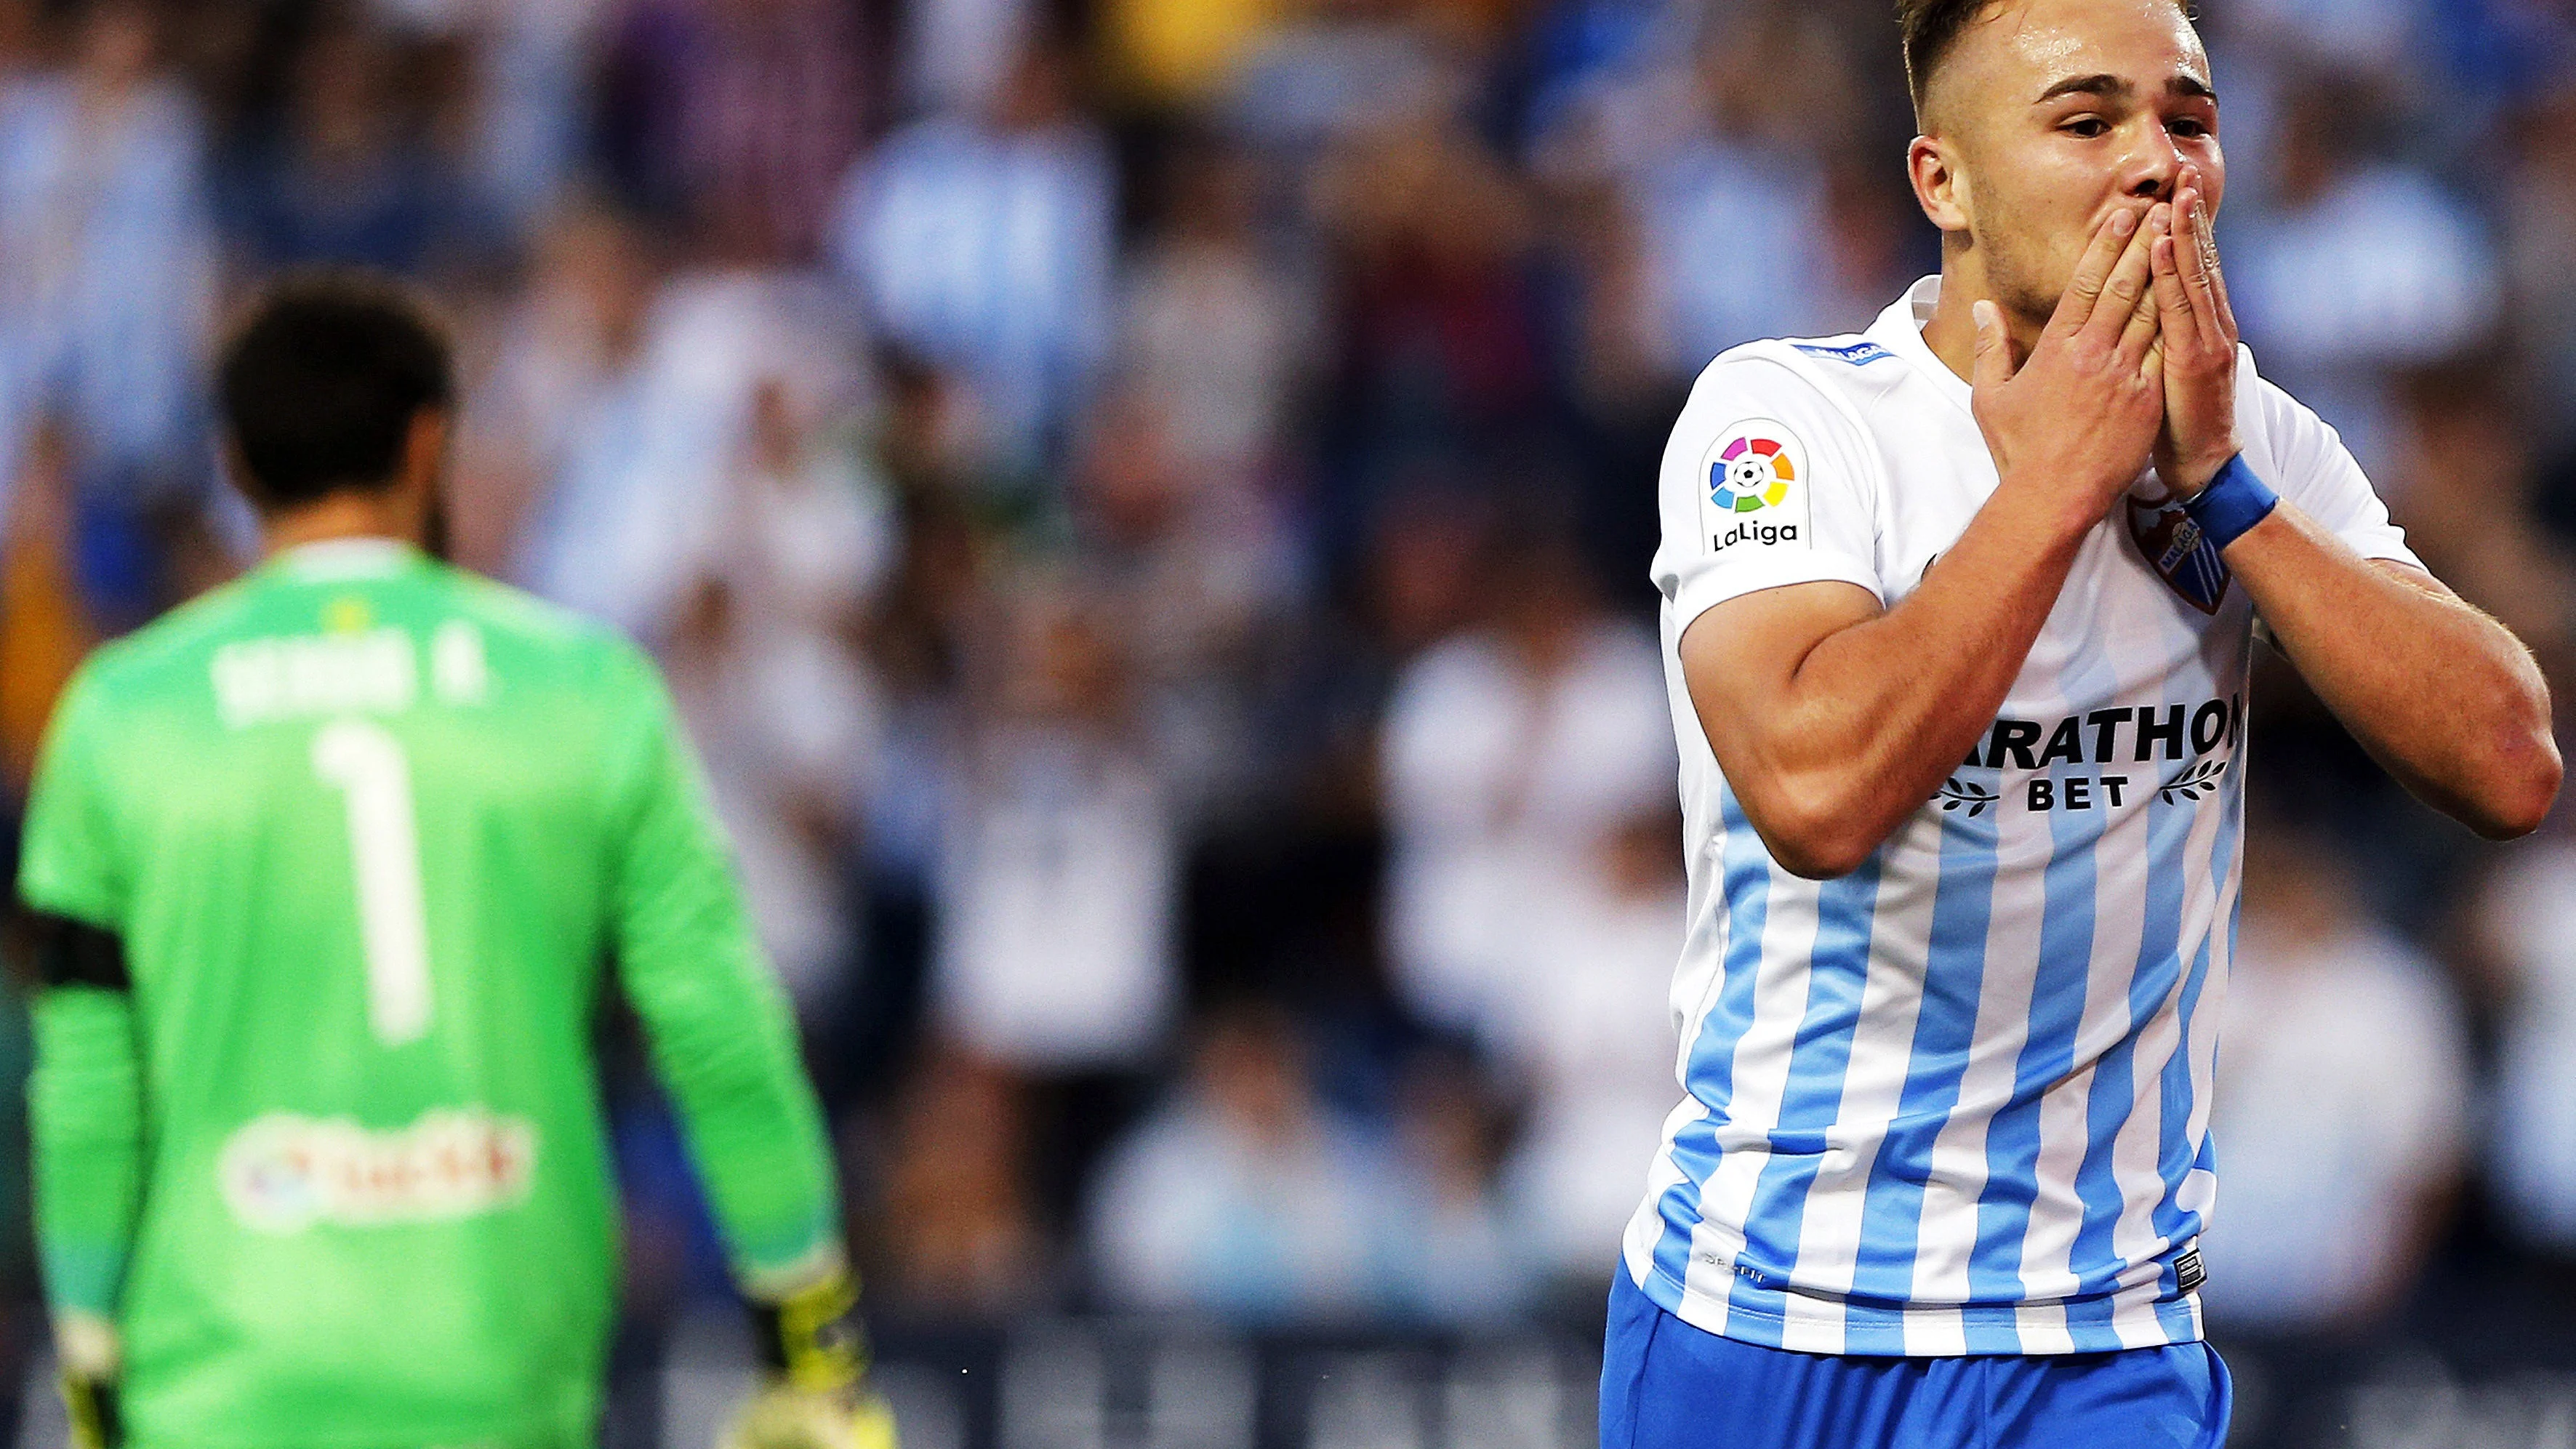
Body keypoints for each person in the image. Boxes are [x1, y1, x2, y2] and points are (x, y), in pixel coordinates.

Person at [1602, 1, 2561, 1446]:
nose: (2157, 165)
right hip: (1763, 1314)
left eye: (2188, 121)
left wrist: (2227, 493)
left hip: (2094, 1337)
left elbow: (2507, 762)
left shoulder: (2254, 436)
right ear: (1944, 183)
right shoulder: (1787, 421)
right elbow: (1814, 792)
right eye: (2086, 121)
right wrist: (2053, 485)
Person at [14, 274, 896, 1449]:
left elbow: (85, 1080)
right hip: (495, 1351)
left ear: (233, 464)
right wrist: (809, 1338)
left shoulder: (123, 714)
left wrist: (87, 1355)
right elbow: (720, 1026)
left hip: (221, 1359)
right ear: (429, 443)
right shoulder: (583, 690)